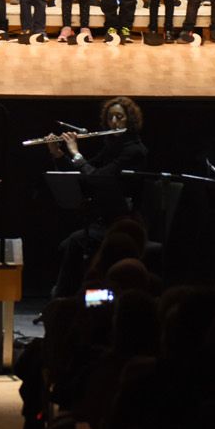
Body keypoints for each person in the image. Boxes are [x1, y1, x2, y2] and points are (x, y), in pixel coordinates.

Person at [47, 96, 149, 297]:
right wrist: (58, 154)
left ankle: (65, 299)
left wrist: (76, 153)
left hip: (124, 222)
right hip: (104, 219)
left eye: (119, 117)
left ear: (130, 120)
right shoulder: (112, 147)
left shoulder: (134, 151)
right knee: (67, 244)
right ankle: (73, 297)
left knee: (76, 242)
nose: (114, 123)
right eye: (111, 118)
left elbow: (99, 178)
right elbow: (83, 177)